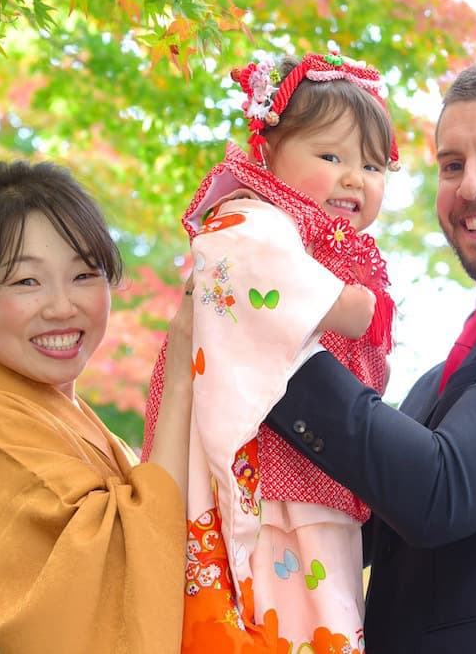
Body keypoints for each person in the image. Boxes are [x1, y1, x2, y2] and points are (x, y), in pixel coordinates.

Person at [175, 53, 476, 652]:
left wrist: (263, 325)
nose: (471, 186)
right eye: (452, 165)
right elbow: (354, 526)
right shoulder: (439, 381)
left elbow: (439, 491)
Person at [142, 47, 400, 652]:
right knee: (277, 607)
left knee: (328, 603)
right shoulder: (251, 217)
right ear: (269, 153)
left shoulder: (323, 244)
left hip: (314, 474)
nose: (353, 177)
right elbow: (247, 268)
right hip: (262, 475)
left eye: (372, 165)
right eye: (330, 155)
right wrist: (336, 304)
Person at [0, 160, 195, 654]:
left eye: (85, 274)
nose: (62, 306)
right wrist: (179, 382)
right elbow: (117, 578)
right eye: (26, 282)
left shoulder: (61, 415)